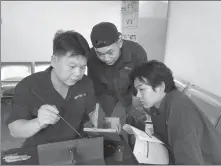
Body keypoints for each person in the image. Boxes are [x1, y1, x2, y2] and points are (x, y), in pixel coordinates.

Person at [7, 30, 98, 147]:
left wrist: (99, 120)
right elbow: (14, 130)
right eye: (72, 66)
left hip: (75, 149)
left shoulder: (86, 83)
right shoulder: (29, 85)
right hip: (40, 151)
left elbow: (92, 111)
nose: (78, 73)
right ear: (54, 61)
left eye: (83, 67)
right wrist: (38, 122)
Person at [129, 60, 221, 164]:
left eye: (142, 89)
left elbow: (189, 161)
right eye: (137, 91)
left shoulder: (179, 109)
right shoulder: (157, 107)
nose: (137, 95)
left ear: (161, 87)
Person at [87, 22, 148, 128]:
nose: (106, 59)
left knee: (136, 129)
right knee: (111, 130)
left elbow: (142, 85)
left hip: (132, 97)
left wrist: (138, 109)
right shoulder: (91, 57)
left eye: (110, 52)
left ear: (119, 42)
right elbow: (95, 88)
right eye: (100, 54)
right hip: (107, 99)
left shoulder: (136, 53)